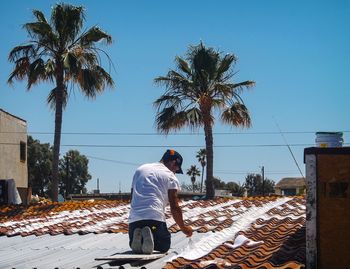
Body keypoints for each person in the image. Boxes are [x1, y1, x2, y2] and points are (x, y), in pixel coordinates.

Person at [128, 149, 193, 254]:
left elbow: (132, 197)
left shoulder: (140, 169)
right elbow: (174, 207)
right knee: (164, 245)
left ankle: (138, 237)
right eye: (176, 169)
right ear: (173, 162)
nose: (175, 172)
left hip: (134, 221)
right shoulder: (170, 176)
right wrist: (183, 227)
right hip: (154, 220)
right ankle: (150, 237)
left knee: (138, 238)